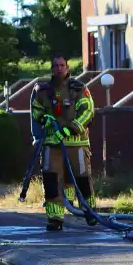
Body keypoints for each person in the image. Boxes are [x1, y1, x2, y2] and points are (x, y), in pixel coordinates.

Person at [29, 54, 96, 231]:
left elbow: (88, 111)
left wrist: (71, 128)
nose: (59, 68)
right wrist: (44, 118)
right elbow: (36, 110)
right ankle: (55, 218)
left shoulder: (79, 88)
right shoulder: (43, 91)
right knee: (50, 179)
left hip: (76, 143)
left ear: (67, 68)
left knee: (82, 178)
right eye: (56, 66)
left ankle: (89, 212)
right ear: (51, 69)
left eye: (62, 65)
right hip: (52, 144)